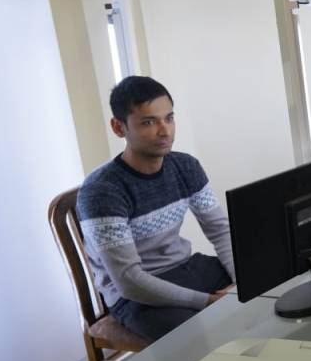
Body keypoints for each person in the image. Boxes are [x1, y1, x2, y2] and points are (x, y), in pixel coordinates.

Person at [76, 76, 236, 342]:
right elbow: (130, 281)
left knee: (264, 281)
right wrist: (207, 301)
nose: (165, 131)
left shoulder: (186, 167)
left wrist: (240, 283)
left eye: (169, 118)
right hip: (136, 296)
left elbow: (220, 231)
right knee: (198, 336)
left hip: (186, 269)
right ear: (118, 127)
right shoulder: (102, 191)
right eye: (149, 122)